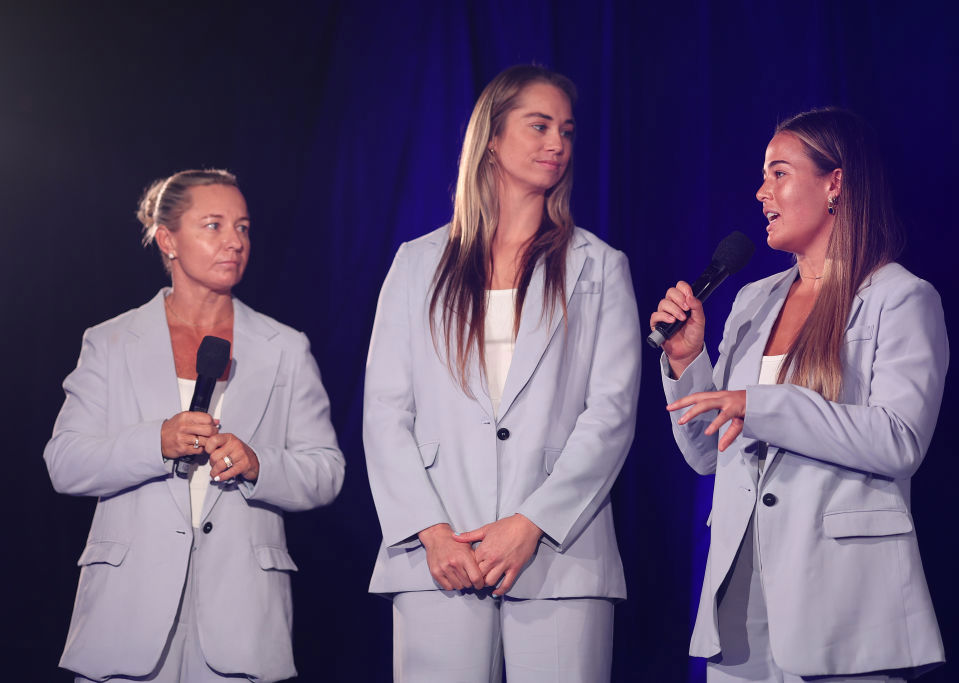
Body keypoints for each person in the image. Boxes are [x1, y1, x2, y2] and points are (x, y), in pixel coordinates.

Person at [364, 65, 640, 683]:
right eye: (539, 126)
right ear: (491, 137)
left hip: (561, 557)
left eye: (567, 131)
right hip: (441, 557)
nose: (557, 144)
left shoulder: (600, 267)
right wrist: (430, 532)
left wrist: (530, 522)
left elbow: (612, 414)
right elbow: (385, 413)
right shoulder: (417, 264)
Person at [652, 108, 947, 682]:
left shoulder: (900, 297)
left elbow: (899, 440)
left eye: (779, 173)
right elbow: (706, 454)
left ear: (834, 182)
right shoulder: (752, 300)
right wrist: (688, 361)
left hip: (844, 606)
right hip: (741, 604)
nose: (762, 191)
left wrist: (757, 405)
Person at [44, 169, 345, 682]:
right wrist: (154, 442)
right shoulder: (110, 341)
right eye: (214, 225)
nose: (235, 241)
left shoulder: (285, 347)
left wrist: (259, 464)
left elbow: (327, 471)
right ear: (168, 239)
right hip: (127, 615)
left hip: (241, 617)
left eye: (244, 227)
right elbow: (65, 463)